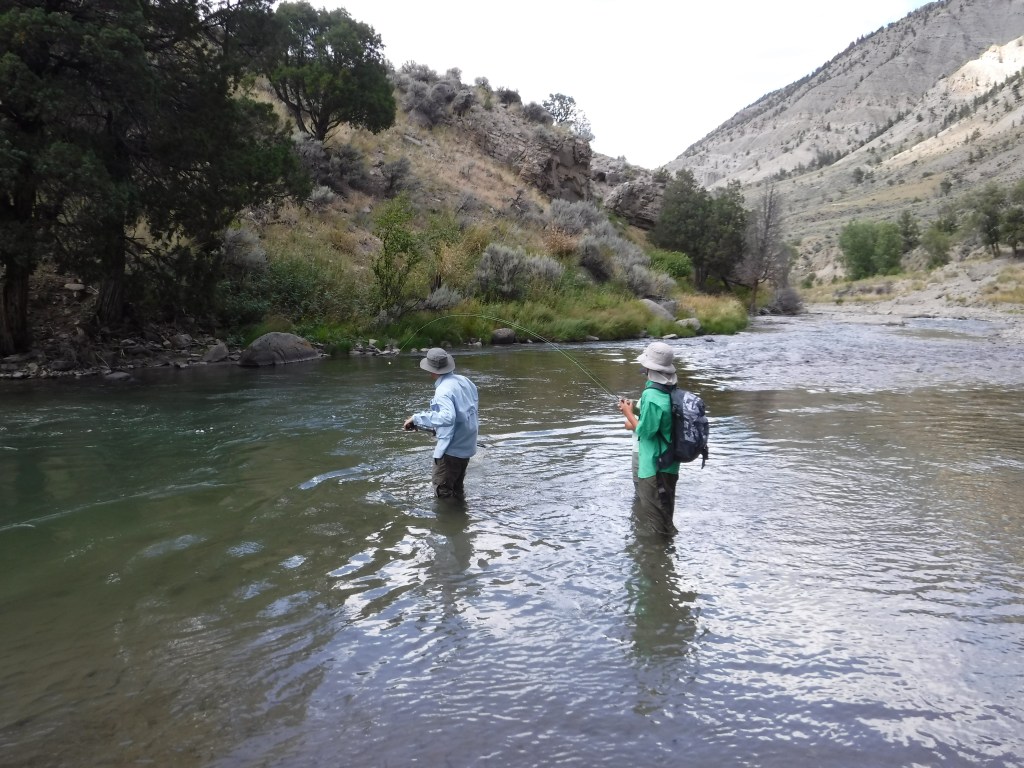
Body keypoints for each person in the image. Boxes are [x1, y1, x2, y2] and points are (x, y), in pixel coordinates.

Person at [617, 341, 680, 537]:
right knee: (663, 514)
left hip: (654, 467)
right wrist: (634, 407)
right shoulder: (669, 389)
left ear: (649, 367)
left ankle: (657, 559)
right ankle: (664, 556)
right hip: (668, 464)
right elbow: (660, 419)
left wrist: (628, 412)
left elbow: (644, 432)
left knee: (656, 522)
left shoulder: (652, 394)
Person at [404, 347, 479, 500]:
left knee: (443, 495)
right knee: (457, 491)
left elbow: (447, 417)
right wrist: (431, 428)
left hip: (451, 451)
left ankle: (449, 523)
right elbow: (465, 414)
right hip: (466, 447)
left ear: (431, 370)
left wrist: (417, 418)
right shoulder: (465, 381)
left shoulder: (443, 390)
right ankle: (463, 521)